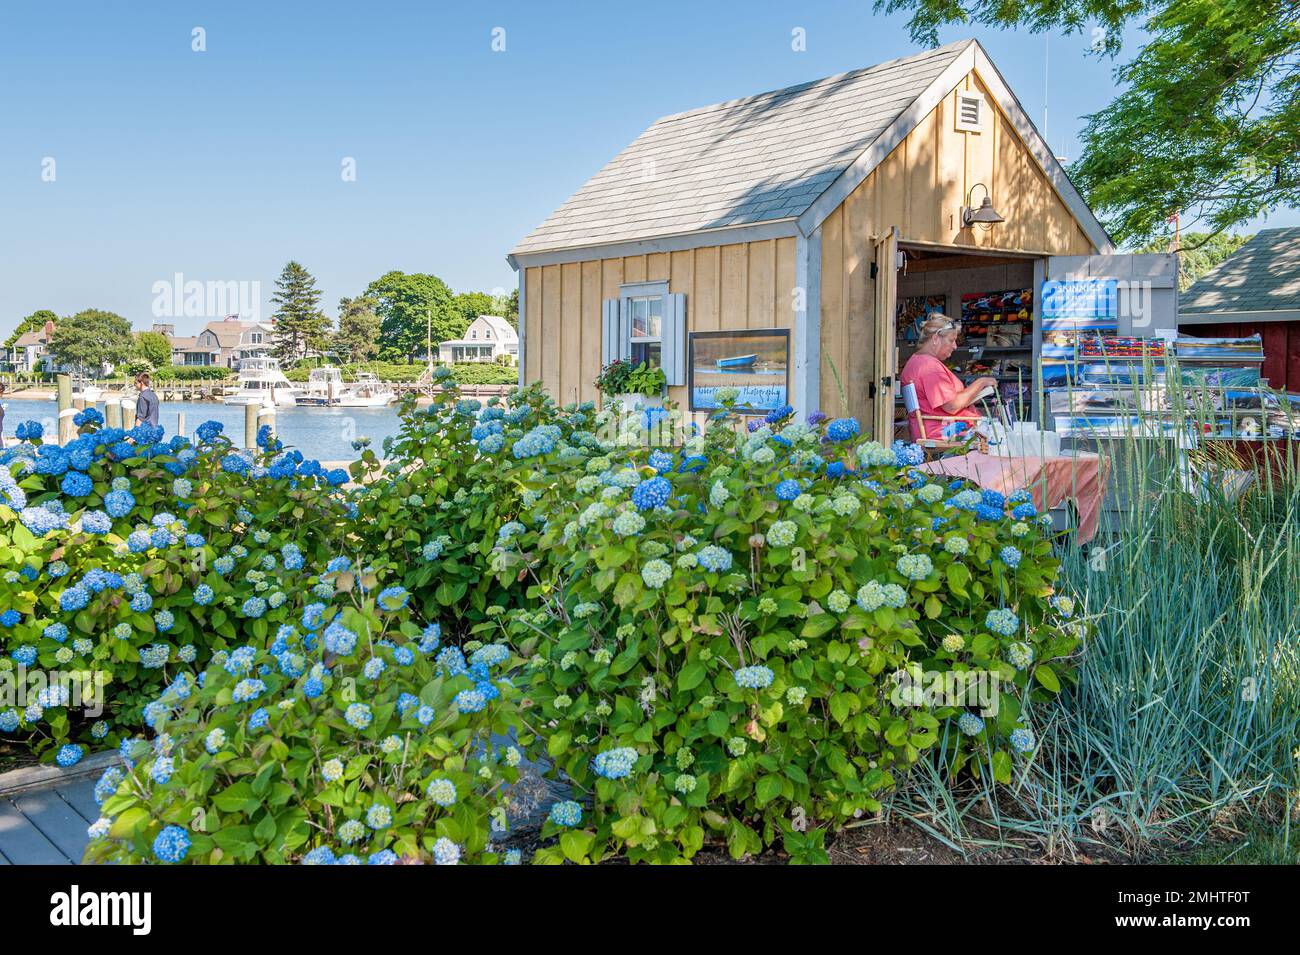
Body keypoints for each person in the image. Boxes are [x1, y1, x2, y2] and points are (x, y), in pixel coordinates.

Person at [900, 314, 997, 441]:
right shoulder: (930, 367)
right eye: (951, 340)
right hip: (944, 433)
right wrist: (981, 382)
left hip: (936, 429)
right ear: (935, 339)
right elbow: (952, 406)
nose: (955, 346)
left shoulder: (916, 361)